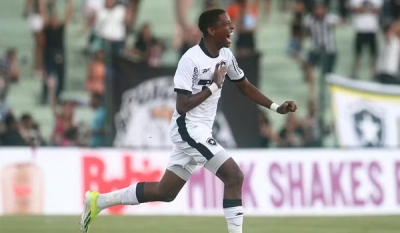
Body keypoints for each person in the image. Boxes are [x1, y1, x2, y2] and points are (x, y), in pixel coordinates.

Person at [80, 9, 297, 233]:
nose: (232, 28)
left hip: (201, 130)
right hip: (188, 128)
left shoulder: (226, 56)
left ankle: (98, 201)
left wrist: (275, 107)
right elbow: (182, 106)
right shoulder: (190, 60)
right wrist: (214, 85)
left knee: (165, 192)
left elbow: (244, 86)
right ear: (212, 30)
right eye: (226, 24)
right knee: (234, 176)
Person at [303, 4, 341, 100]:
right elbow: (305, 31)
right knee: (309, 68)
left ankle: (330, 95)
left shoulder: (330, 18)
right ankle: (312, 94)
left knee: (329, 74)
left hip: (329, 50)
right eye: (317, 9)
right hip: (316, 48)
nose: (319, 12)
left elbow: (341, 22)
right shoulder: (309, 20)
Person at [41, 0, 73, 104]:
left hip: (60, 54)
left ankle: (58, 96)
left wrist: (70, 4)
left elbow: (68, 16)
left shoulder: (60, 28)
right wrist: (42, 3)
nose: (55, 20)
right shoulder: (47, 28)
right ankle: (45, 96)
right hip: (49, 55)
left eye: (56, 19)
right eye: (53, 19)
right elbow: (43, 14)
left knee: (61, 77)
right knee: (48, 76)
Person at [350, 0, 383, 79]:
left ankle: (374, 73)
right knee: (357, 54)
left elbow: (378, 11)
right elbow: (355, 9)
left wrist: (363, 10)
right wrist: (370, 10)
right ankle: (354, 73)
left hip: (372, 29)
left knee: (373, 54)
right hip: (360, 29)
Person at [23, 0, 46, 77]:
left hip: (44, 16)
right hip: (36, 17)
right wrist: (26, 10)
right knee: (38, 43)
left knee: (42, 44)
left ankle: (40, 65)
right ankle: (37, 66)